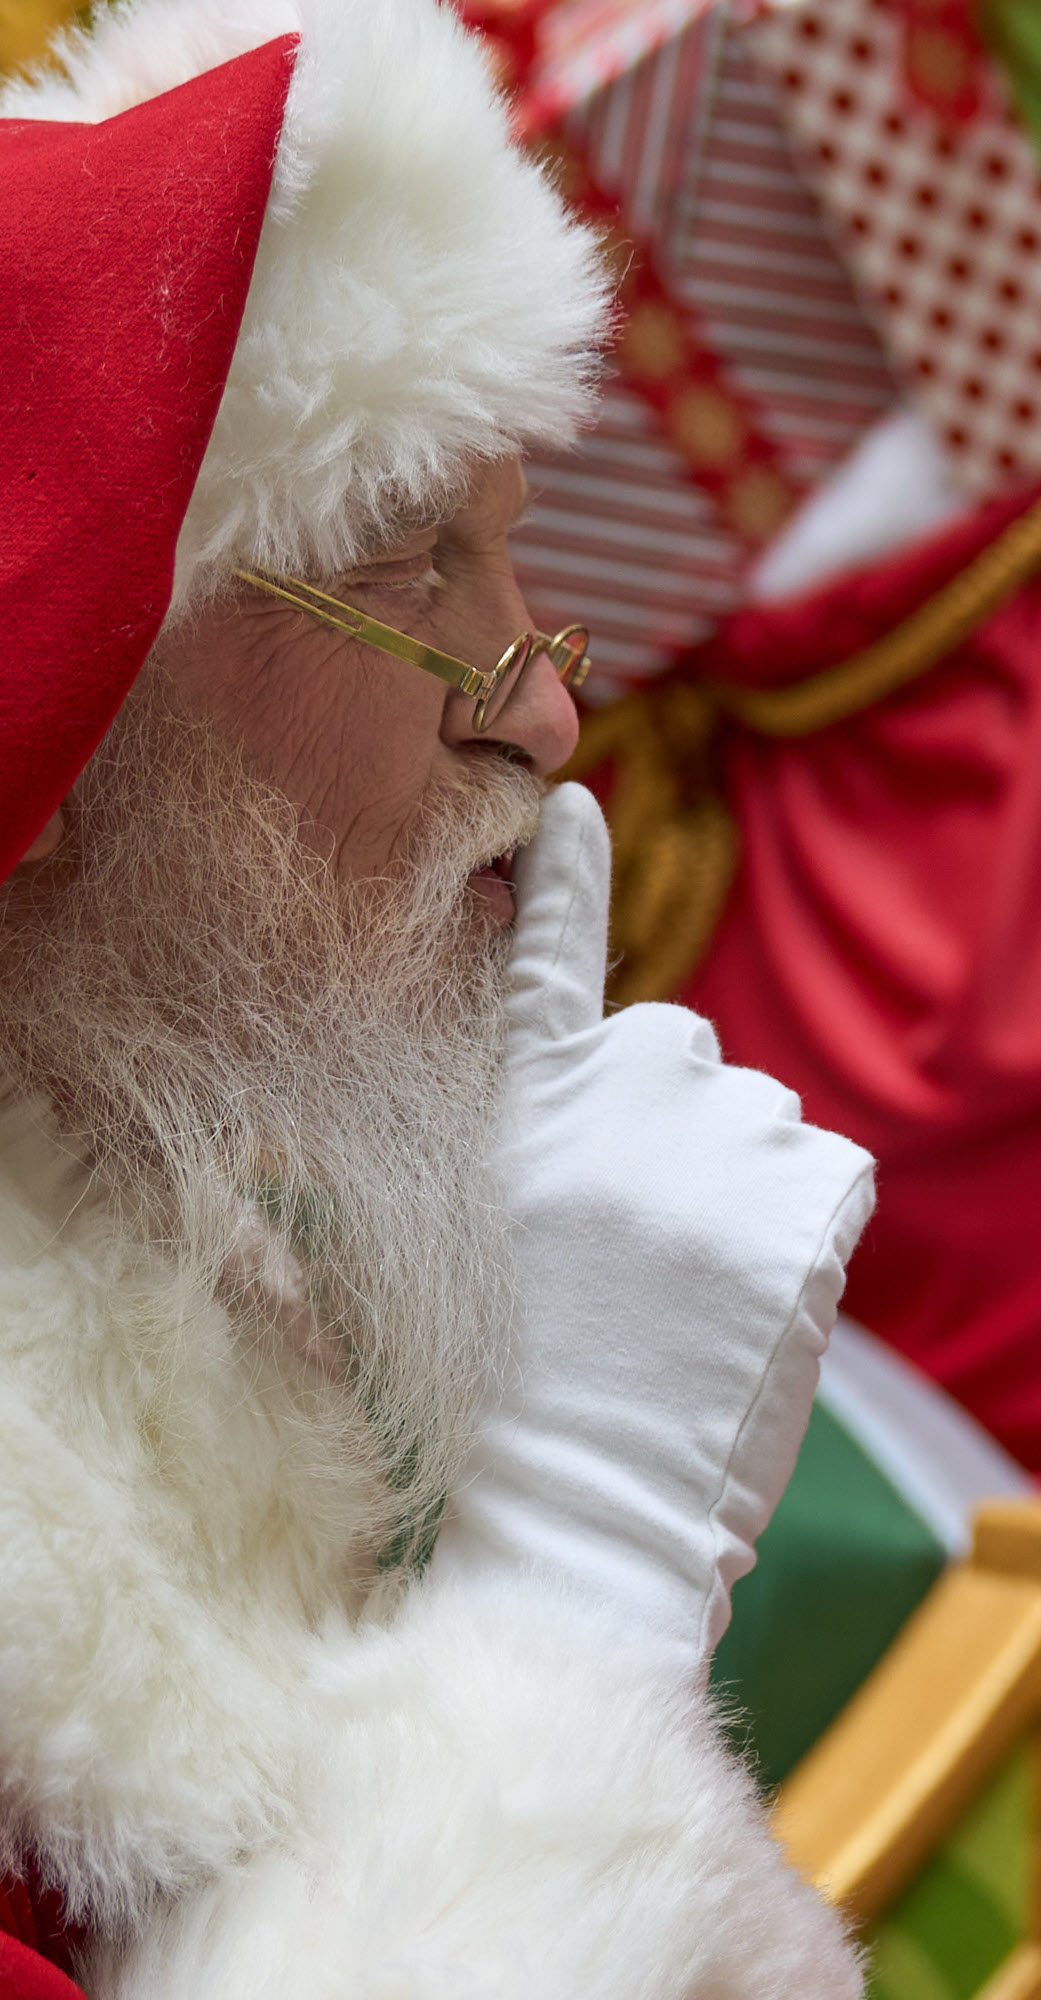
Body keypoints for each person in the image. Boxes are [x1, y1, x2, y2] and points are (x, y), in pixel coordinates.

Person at [0, 1, 873, 1994]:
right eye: (414, 575)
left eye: (515, 558)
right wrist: (578, 1569)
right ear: (76, 692)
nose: (546, 711)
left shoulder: (165, 1212)